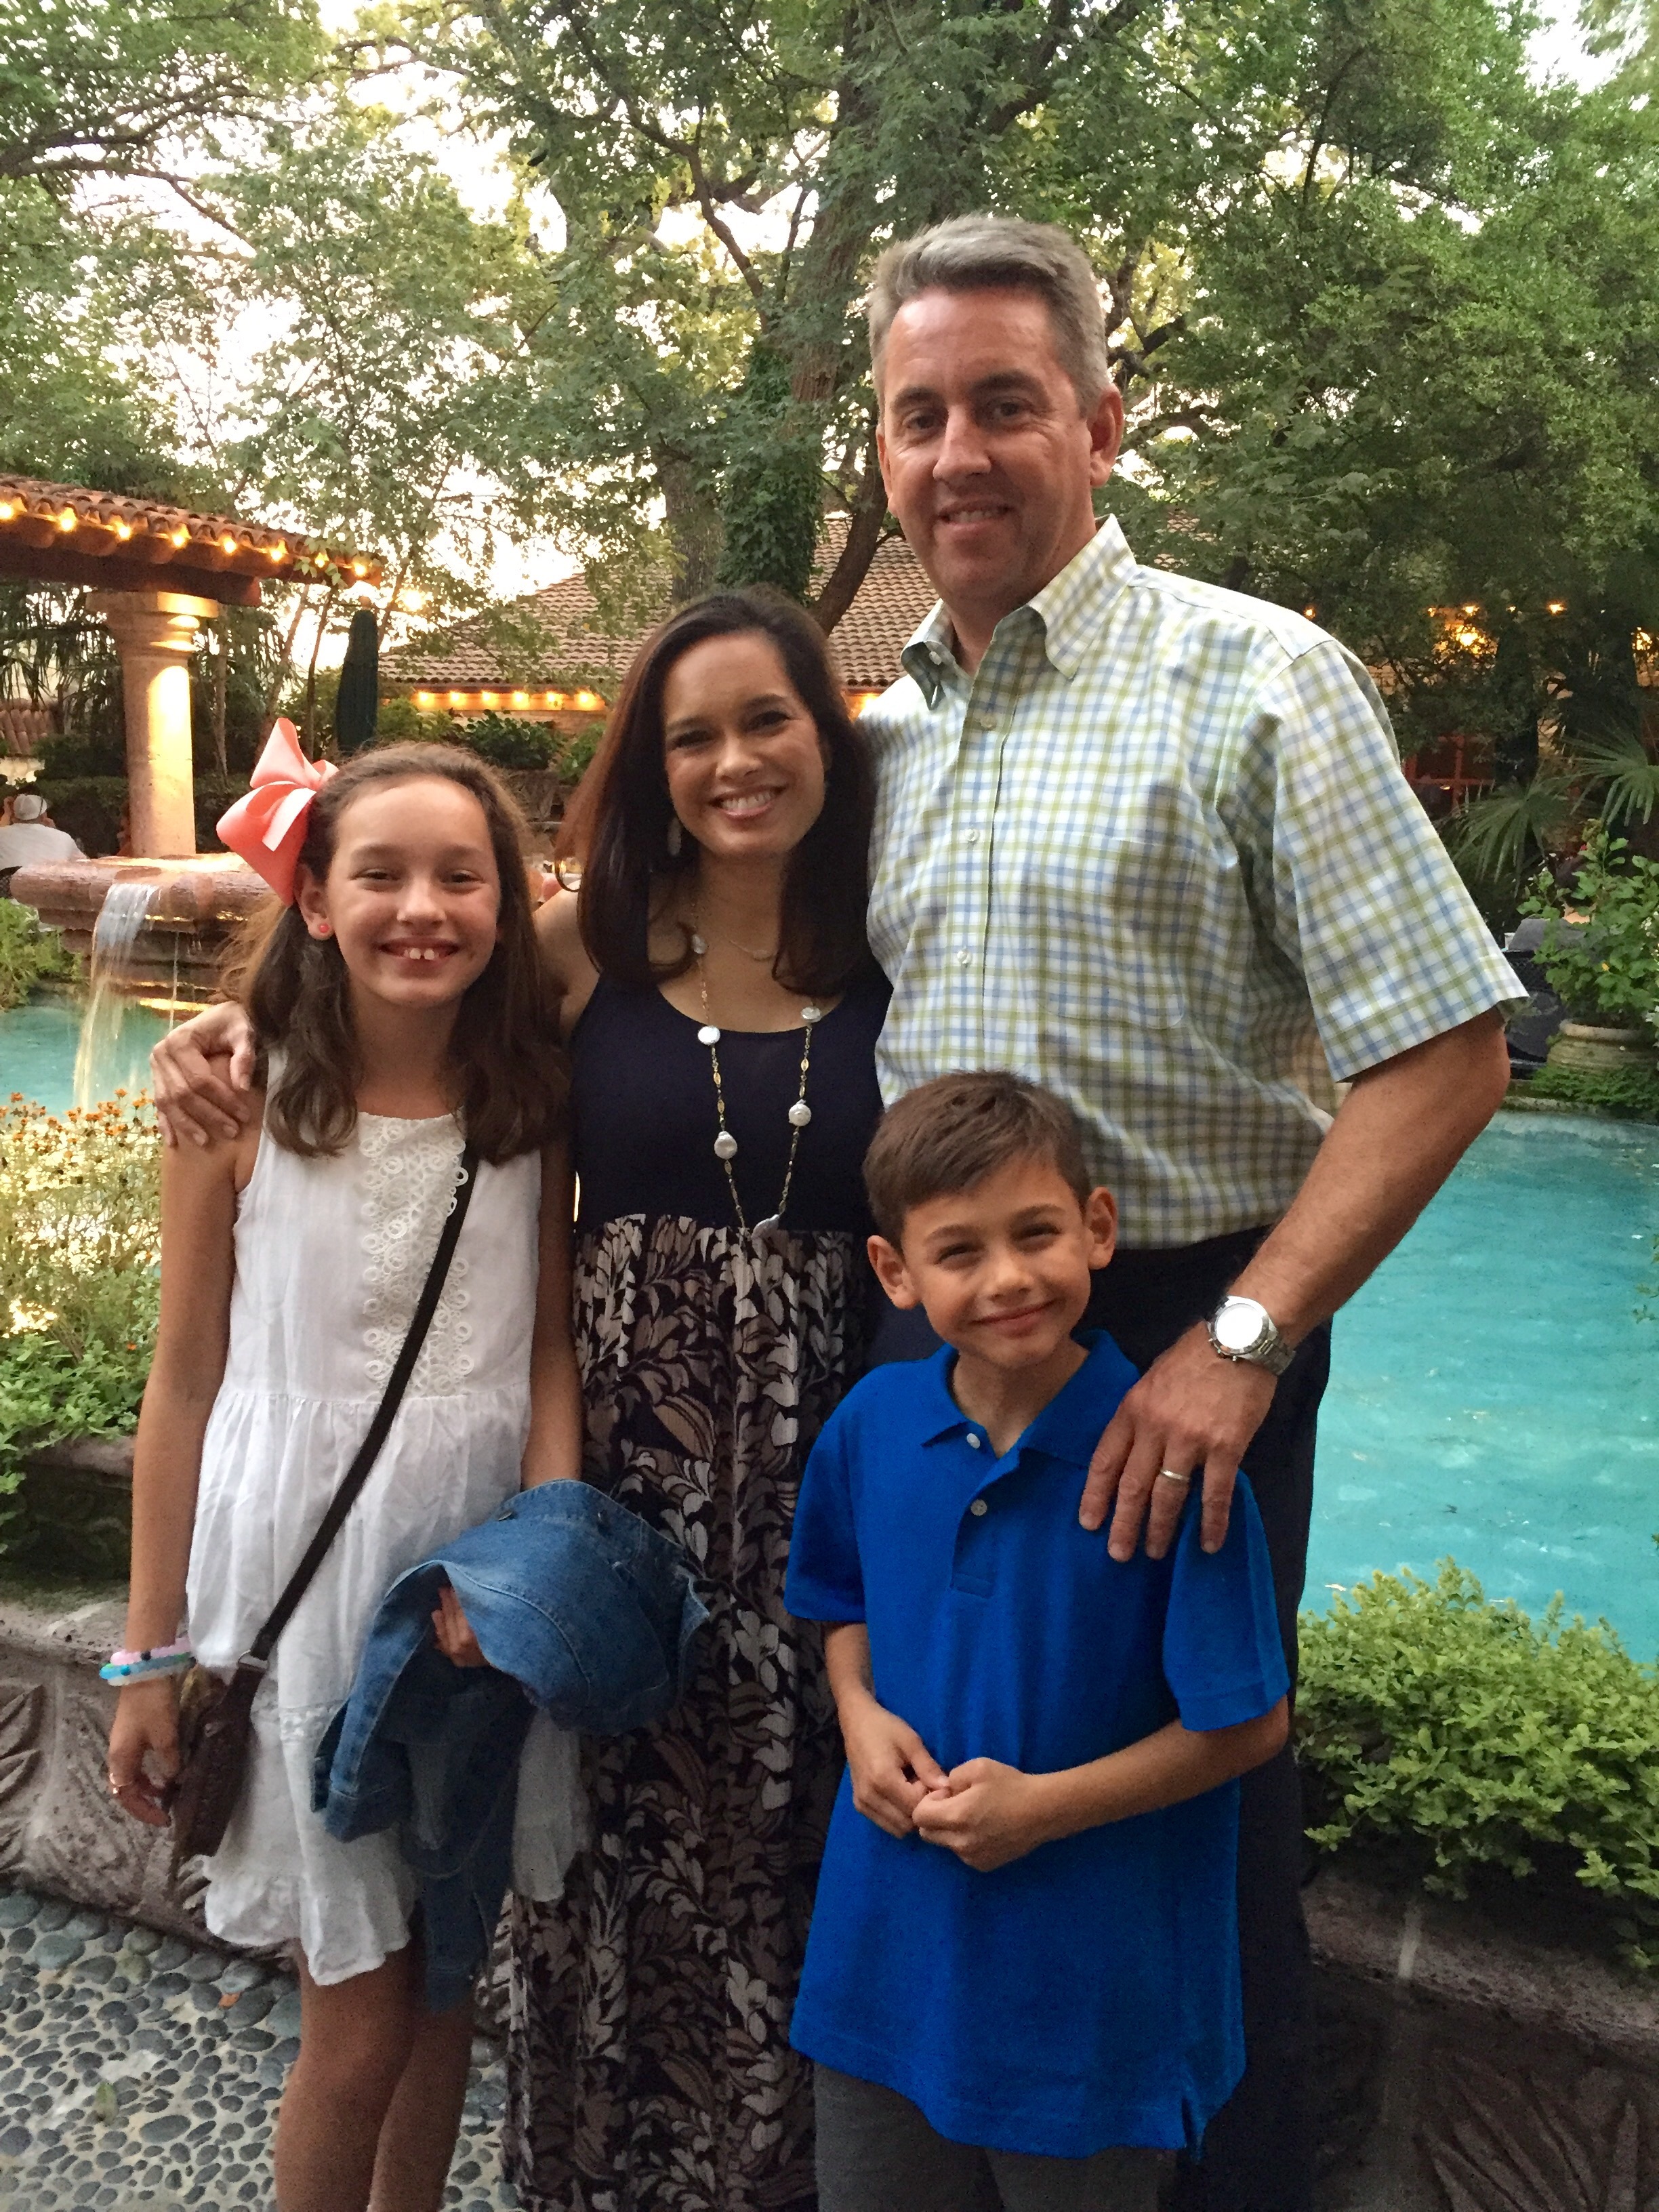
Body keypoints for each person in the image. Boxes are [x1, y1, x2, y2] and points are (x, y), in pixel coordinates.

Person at [856, 215, 1523, 2211]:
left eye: (1003, 404)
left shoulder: (1257, 679)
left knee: (1190, 1807)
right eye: (917, 414)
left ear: (1099, 424)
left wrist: (1244, 1340)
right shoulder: (880, 734)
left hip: (1185, 1326)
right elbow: (665, 946)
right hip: (934, 1346)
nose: (957, 452)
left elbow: (1446, 1051)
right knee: (945, 1767)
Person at [149, 598, 890, 2212]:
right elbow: (382, 992)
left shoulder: (897, 934)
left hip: (753, 1493)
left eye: (766, 721)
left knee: (571, 1933)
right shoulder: (591, 945)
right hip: (519, 1516)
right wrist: (226, 1033)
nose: (732, 761)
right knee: (472, 1947)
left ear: (828, 740)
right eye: (691, 734)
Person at [108, 737, 581, 2212]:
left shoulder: (531, 1102)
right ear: (314, 900)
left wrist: (538, 1573)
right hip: (306, 1594)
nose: (420, 907)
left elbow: (546, 1354)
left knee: (443, 1990)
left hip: (469, 1588)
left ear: (509, 903)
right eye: (379, 873)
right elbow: (184, 1380)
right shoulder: (240, 1102)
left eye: (460, 876)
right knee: (360, 2015)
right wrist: (147, 1651)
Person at [787, 1071, 1289, 2212]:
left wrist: (1042, 1808)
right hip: (883, 1972)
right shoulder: (871, 1425)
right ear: (895, 1273)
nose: (1007, 1277)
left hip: (1088, 2008)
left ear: (1096, 1227)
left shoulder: (1169, 1458)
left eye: (1035, 1234)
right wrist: (859, 1715)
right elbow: (839, 1600)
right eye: (958, 1251)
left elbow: (1247, 1721)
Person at [0, 789, 83, 870]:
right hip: (51, 879)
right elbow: (83, 865)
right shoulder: (64, 838)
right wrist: (55, 831)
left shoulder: (2, 835)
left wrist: (7, 814)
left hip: (11, 879)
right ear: (43, 816)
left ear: (14, 817)